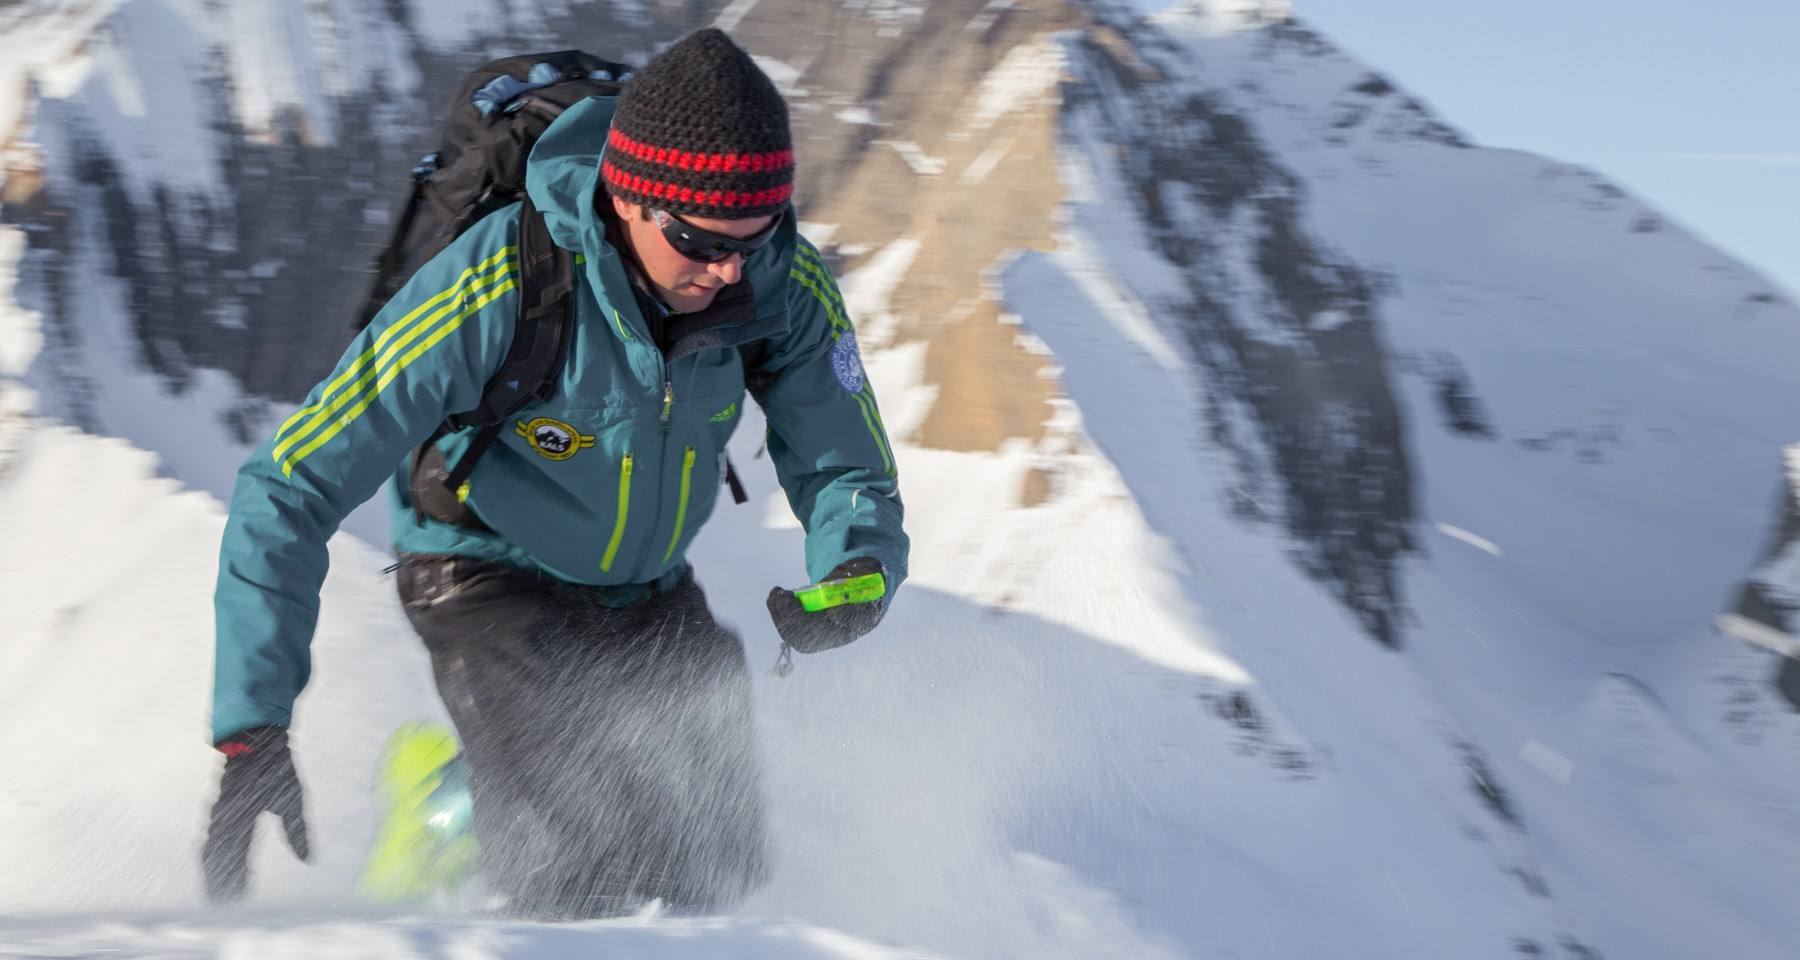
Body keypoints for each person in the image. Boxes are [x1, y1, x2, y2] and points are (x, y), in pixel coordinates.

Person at [200, 28, 907, 917]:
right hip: (484, 566)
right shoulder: (498, 281)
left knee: (715, 877)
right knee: (574, 883)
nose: (728, 269)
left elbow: (848, 460)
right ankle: (444, 811)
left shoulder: (776, 280)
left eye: (752, 237)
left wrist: (857, 570)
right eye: (698, 239)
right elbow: (288, 483)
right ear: (628, 199)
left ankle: (470, 785)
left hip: (644, 582)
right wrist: (252, 728)